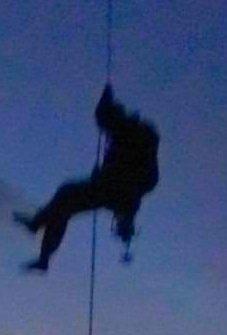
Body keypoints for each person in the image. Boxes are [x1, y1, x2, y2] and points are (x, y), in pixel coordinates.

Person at [15, 84, 160, 271]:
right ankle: (42, 252)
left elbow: (105, 118)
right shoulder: (130, 135)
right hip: (115, 191)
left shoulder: (132, 134)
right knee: (63, 204)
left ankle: (37, 229)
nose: (106, 133)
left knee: (66, 196)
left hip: (116, 191)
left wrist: (106, 98)